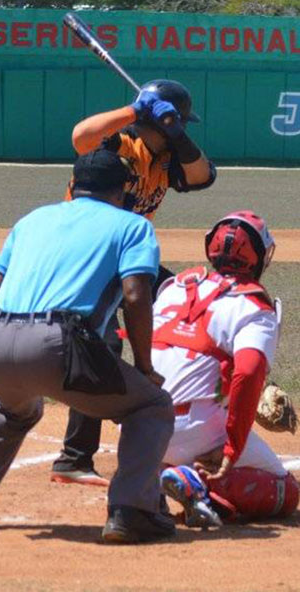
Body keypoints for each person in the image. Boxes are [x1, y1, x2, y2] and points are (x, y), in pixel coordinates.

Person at [0, 149, 176, 544]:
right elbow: (135, 295)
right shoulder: (132, 226)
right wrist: (145, 366)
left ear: (74, 185)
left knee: (13, 409)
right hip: (59, 344)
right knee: (152, 406)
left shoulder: (31, 220)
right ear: (122, 191)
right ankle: (132, 511)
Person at [51, 79, 217, 487]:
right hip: (88, 258)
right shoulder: (118, 143)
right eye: (179, 123)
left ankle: (202, 425)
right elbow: (80, 138)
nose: (181, 129)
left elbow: (203, 176)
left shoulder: (166, 156)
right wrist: (135, 111)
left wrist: (176, 133)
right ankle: (73, 459)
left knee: (193, 306)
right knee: (102, 345)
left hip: (131, 258)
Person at [151, 211, 300, 526]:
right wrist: (233, 447)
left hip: (140, 424)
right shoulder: (254, 305)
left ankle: (147, 474)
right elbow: (248, 372)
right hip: (195, 429)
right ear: (259, 257)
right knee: (286, 493)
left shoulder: (173, 286)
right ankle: (195, 480)